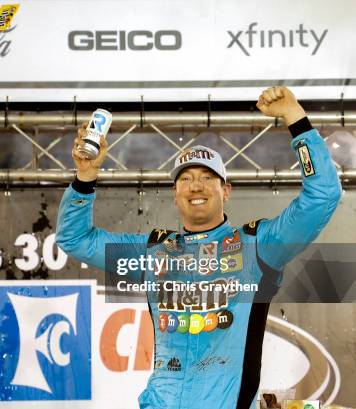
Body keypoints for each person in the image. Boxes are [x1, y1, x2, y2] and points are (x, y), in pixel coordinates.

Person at [55, 87, 341, 409]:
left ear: (226, 190)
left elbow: (323, 197)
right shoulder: (153, 252)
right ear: (175, 194)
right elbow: (75, 239)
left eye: (208, 177)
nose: (196, 185)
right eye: (186, 178)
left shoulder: (258, 247)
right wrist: (85, 176)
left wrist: (295, 119)